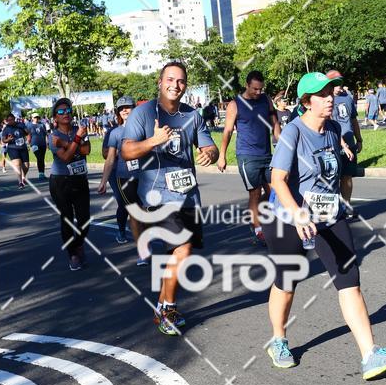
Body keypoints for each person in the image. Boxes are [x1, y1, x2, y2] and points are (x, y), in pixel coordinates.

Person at [261, 72, 386, 379]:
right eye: (322, 94)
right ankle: (278, 340)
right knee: (287, 281)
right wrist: (299, 214)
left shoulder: (333, 129)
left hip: (329, 214)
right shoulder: (293, 133)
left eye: (330, 92)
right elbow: (277, 180)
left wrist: (340, 200)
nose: (330, 98)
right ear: (306, 101)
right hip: (287, 216)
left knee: (348, 278)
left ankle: (370, 356)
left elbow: (333, 173)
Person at [121, 61, 218, 334]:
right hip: (157, 196)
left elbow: (208, 146)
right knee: (183, 248)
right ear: (160, 82)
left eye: (181, 81)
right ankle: (169, 307)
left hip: (188, 195)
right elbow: (127, 152)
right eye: (170, 79)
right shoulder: (142, 114)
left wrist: (209, 153)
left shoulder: (192, 115)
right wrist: (152, 141)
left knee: (178, 252)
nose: (175, 85)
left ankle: (163, 306)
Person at [218, 70, 281, 245]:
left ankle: (263, 218)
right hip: (247, 156)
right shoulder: (235, 105)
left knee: (274, 191)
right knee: (255, 193)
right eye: (255, 89)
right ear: (247, 85)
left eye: (261, 89)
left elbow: (275, 122)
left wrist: (282, 145)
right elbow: (228, 131)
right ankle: (258, 229)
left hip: (266, 154)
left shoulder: (266, 99)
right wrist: (222, 155)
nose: (258, 92)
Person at [98, 96, 147, 261]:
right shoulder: (115, 132)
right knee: (134, 213)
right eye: (121, 108)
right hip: (124, 178)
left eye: (128, 107)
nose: (125, 110)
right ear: (118, 112)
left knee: (146, 212)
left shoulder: (145, 128)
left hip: (145, 177)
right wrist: (104, 181)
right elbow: (110, 158)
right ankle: (142, 250)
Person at [48, 97, 91, 271]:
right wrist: (76, 140)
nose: (65, 113)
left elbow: (86, 150)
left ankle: (78, 243)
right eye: (60, 111)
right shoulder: (52, 136)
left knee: (84, 219)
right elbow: (65, 158)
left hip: (80, 179)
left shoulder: (79, 130)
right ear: (55, 118)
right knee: (67, 219)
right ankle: (72, 254)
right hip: (61, 182)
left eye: (68, 110)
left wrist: (68, 142)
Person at [331, 71, 363, 220]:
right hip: (333, 142)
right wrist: (341, 143)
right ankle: (333, 207)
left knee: (347, 176)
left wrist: (359, 139)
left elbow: (354, 120)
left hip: (349, 141)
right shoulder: (325, 99)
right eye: (336, 84)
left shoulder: (347, 98)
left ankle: (347, 206)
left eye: (340, 83)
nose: (339, 87)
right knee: (332, 177)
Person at [1, 113, 30, 187]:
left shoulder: (21, 125)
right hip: (12, 148)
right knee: (17, 164)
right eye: (9, 120)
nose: (11, 121)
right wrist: (8, 139)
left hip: (23, 148)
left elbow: (27, 133)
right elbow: (3, 140)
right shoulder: (6, 129)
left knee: (26, 166)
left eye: (12, 119)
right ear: (7, 121)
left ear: (14, 119)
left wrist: (25, 130)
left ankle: (23, 177)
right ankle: (20, 182)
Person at [26, 112, 48, 181]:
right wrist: (28, 144)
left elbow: (45, 135)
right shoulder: (29, 125)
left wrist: (47, 143)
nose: (36, 119)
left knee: (42, 158)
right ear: (32, 118)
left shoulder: (42, 125)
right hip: (34, 144)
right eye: (35, 117)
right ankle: (40, 174)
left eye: (37, 117)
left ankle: (42, 173)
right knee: (39, 158)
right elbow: (28, 136)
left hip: (42, 144)